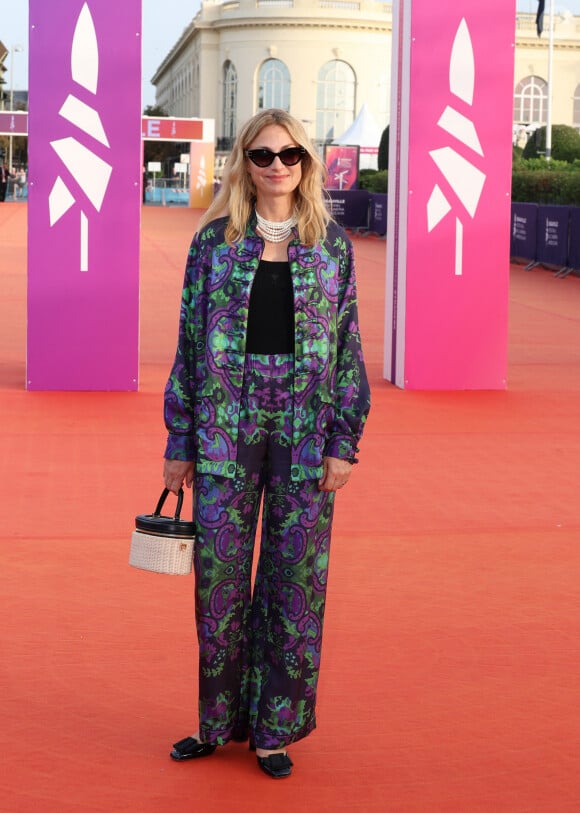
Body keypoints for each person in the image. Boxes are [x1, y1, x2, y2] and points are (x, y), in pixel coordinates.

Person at [162, 109, 370, 779]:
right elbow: (190, 346)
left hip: (306, 437)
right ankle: (218, 723)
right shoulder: (212, 244)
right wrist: (179, 437)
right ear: (243, 162)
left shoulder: (331, 245)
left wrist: (344, 439)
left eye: (289, 155)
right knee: (217, 585)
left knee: (293, 586)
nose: (276, 165)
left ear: (307, 164)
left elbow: (348, 350)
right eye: (262, 154)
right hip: (226, 428)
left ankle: (275, 729)